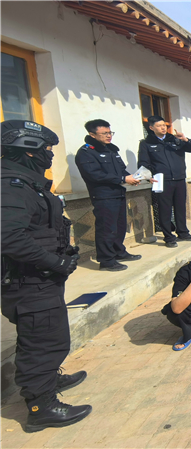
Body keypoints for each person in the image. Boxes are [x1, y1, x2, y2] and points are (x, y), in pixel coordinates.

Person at [1, 120, 91, 432]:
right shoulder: (10, 185)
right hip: (28, 279)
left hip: (40, 278)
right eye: (47, 149)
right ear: (29, 149)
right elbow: (9, 237)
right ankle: (41, 406)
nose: (50, 155)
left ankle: (48, 378)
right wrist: (55, 261)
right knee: (42, 340)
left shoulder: (25, 181)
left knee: (47, 335)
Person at [75, 119, 141, 271]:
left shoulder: (111, 150)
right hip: (103, 196)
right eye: (104, 133)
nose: (108, 136)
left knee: (119, 226)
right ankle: (106, 260)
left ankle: (119, 252)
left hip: (118, 193)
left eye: (110, 132)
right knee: (106, 228)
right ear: (92, 134)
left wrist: (134, 178)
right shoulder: (86, 153)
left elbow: (121, 170)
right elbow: (94, 175)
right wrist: (123, 179)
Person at [137, 115, 191, 248]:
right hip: (161, 180)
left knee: (180, 207)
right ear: (151, 128)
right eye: (159, 126)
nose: (163, 128)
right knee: (164, 209)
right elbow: (143, 162)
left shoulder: (175, 140)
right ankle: (169, 237)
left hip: (179, 178)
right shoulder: (146, 143)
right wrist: (148, 176)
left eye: (164, 125)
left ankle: (183, 232)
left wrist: (185, 139)